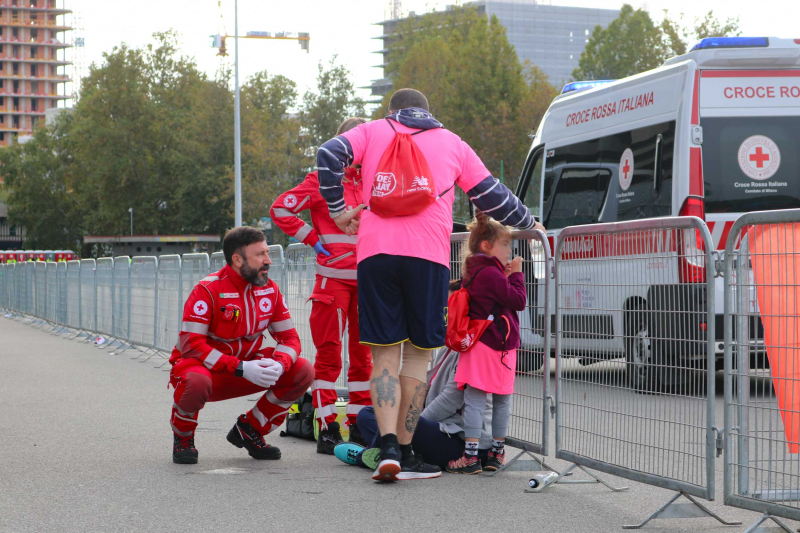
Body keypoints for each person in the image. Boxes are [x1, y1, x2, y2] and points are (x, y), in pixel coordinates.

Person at [316, 87, 542, 481]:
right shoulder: (452, 143)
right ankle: (406, 450)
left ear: (393, 112)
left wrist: (338, 211)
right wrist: (529, 223)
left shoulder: (371, 131)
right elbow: (493, 197)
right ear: (427, 113)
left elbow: (328, 155)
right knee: (418, 355)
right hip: (428, 257)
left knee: (384, 354)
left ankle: (385, 446)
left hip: (375, 256)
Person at [168, 226, 314, 464]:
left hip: (243, 368)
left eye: (267, 253)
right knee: (196, 380)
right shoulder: (207, 289)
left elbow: (290, 339)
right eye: (260, 255)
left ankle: (249, 429)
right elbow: (191, 345)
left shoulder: (270, 289)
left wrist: (280, 363)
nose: (268, 260)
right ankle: (183, 438)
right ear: (237, 259)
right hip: (205, 371)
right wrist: (241, 368)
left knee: (303, 370)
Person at [270, 117, 373, 454]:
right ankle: (329, 428)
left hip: (369, 283)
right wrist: (312, 238)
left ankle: (359, 426)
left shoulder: (373, 180)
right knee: (329, 360)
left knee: (363, 360)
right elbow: (280, 209)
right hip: (332, 283)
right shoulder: (319, 181)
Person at [334, 280, 494, 473]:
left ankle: (368, 455)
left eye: (449, 307)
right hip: (439, 428)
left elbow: (448, 401)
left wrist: (407, 423)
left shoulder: (472, 348)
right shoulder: (451, 344)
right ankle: (401, 453)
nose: (442, 314)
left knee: (401, 422)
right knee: (366, 414)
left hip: (462, 441)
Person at [447, 212, 527, 474]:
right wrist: (516, 274)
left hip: (478, 341)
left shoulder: (475, 269)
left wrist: (503, 273)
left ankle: (470, 457)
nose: (510, 250)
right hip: (499, 343)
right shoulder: (492, 274)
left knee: (475, 398)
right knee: (501, 398)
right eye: (505, 244)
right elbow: (518, 301)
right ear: (487, 246)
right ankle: (496, 453)